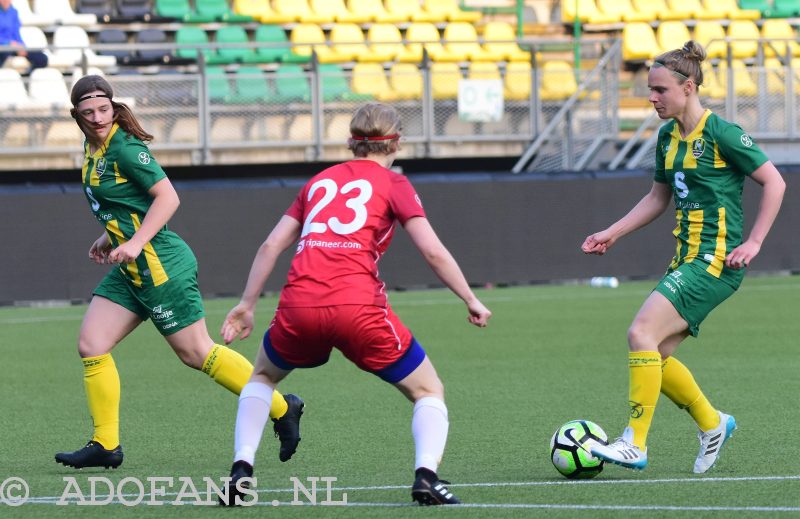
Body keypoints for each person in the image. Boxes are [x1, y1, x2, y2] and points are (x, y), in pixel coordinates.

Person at [218, 102, 492, 506]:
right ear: (397, 141)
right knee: (427, 389)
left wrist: (246, 303)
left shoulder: (319, 181)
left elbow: (271, 244)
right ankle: (426, 477)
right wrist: (469, 298)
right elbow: (432, 251)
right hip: (357, 307)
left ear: (351, 141)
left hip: (299, 304)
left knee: (262, 378)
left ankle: (241, 471)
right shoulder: (395, 185)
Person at [55, 75, 304, 470]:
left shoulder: (125, 147)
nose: (98, 118)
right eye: (88, 113)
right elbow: (127, 202)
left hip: (160, 265)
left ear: (112, 106)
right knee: (91, 344)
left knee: (196, 353)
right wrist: (110, 236)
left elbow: (168, 197)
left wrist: (135, 242)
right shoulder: (92, 145)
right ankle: (106, 444)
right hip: (131, 269)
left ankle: (281, 407)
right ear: (77, 116)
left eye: (103, 110)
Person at [581, 41, 785, 473]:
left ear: (688, 87)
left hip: (716, 262)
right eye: (650, 90)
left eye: (659, 90)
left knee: (640, 333)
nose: (652, 98)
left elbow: (776, 182)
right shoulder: (667, 136)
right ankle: (713, 423)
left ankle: (634, 442)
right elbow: (658, 198)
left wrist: (755, 243)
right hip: (685, 259)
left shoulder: (723, 134)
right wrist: (611, 233)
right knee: (655, 355)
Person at [0, 0, 47, 73]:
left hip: (14, 47)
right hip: (3, 47)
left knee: (42, 58)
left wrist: (21, 46)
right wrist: (8, 43)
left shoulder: (13, 12)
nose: (6, 1)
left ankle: (27, 76)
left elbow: (16, 33)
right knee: (4, 52)